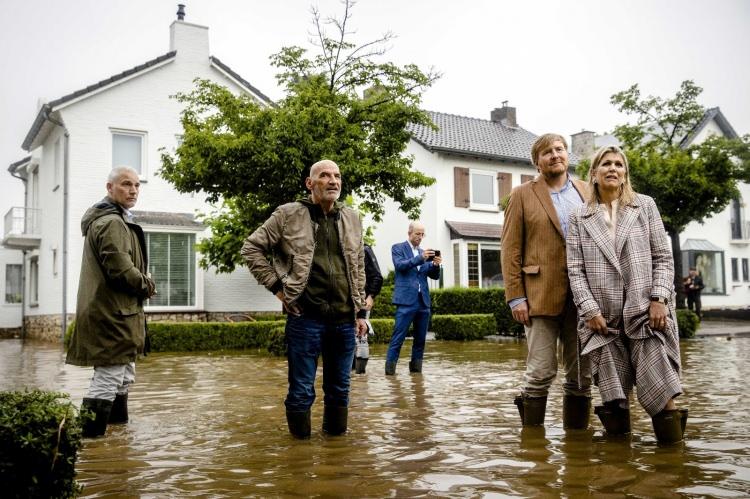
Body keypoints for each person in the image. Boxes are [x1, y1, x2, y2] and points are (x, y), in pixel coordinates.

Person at [567, 145, 687, 443]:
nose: (613, 169)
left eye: (619, 164)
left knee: (661, 388)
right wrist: (589, 310)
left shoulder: (644, 206)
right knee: (613, 397)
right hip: (602, 322)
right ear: (593, 173)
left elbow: (663, 257)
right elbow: (575, 270)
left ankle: (672, 462)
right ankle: (618, 466)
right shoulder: (579, 217)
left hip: (646, 315)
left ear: (625, 173)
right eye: (606, 164)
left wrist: (659, 299)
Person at [241, 159, 368, 439]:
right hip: (305, 318)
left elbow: (357, 266)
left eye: (337, 176)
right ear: (310, 184)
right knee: (300, 390)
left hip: (344, 320)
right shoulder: (288, 214)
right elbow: (251, 248)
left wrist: (361, 313)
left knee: (339, 389)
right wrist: (277, 287)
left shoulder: (353, 218)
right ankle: (299, 458)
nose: (333, 181)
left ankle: (335, 461)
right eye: (325, 176)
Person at [501, 133, 592, 428]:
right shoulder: (521, 194)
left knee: (581, 375)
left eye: (559, 149)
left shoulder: (588, 191)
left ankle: (578, 449)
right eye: (547, 152)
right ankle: (532, 444)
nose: (555, 155)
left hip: (583, 298)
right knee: (541, 371)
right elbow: (510, 249)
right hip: (538, 295)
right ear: (537, 162)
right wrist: (516, 296)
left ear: (567, 155)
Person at [66, 166, 156, 438]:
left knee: (123, 377)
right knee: (108, 378)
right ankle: (91, 442)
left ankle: (116, 443)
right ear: (110, 188)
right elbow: (120, 269)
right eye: (126, 184)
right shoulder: (110, 223)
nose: (133, 190)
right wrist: (147, 284)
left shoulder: (116, 220)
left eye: (137, 185)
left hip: (120, 313)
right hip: (112, 315)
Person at [385, 221, 441, 375]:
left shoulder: (424, 253)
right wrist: (420, 258)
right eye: (417, 234)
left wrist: (436, 265)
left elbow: (434, 277)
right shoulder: (398, 248)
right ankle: (390, 374)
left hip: (423, 302)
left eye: (422, 234)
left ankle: (416, 374)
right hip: (405, 302)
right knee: (398, 338)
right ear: (409, 233)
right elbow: (400, 265)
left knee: (420, 340)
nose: (420, 237)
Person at [352, 244, 384, 374]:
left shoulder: (365, 249)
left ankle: (360, 375)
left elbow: (377, 277)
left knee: (361, 337)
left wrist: (371, 296)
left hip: (361, 301)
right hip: (341, 302)